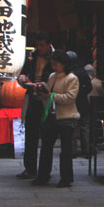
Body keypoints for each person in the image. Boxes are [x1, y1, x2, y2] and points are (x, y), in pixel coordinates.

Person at [33, 50, 80, 188]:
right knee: (46, 148)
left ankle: (66, 178)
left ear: (64, 64)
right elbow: (48, 95)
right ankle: (43, 176)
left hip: (66, 117)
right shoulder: (52, 76)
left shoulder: (72, 78)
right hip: (51, 116)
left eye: (56, 63)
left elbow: (70, 98)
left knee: (66, 150)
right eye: (52, 63)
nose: (54, 66)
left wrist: (51, 95)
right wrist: (40, 93)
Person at [16, 32, 54, 180]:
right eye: (37, 45)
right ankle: (30, 168)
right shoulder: (31, 57)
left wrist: (45, 85)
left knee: (47, 137)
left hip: (46, 99)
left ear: (48, 44)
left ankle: (45, 171)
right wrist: (23, 79)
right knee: (30, 135)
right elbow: (23, 73)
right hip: (32, 96)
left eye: (42, 45)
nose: (39, 48)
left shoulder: (54, 57)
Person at [66, 52, 92, 157]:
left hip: (72, 102)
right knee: (84, 127)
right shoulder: (82, 72)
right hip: (83, 102)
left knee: (72, 127)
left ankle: (73, 151)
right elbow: (89, 87)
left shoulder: (68, 73)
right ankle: (86, 151)